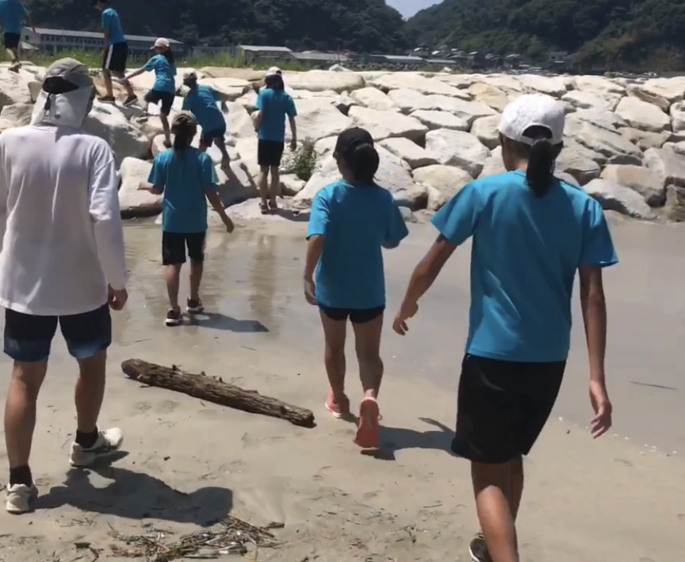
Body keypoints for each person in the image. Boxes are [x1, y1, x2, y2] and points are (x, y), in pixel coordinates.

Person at [391, 94, 616, 562]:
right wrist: (596, 378)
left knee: (487, 474)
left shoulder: (483, 194)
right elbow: (592, 297)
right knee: (510, 456)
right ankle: (495, 548)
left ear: (502, 140)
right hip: (550, 360)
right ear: (558, 147)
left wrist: (408, 305)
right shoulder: (584, 207)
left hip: (492, 356)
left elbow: (431, 262)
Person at [0, 59, 130, 514]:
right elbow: (104, 219)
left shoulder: (10, 142)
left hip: (24, 285)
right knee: (92, 364)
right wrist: (117, 279)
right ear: (84, 99)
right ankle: (86, 442)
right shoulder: (94, 149)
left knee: (25, 378)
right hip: (82, 284)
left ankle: (19, 483)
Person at [303, 128, 409, 448]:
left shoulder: (328, 196)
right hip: (369, 290)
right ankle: (370, 397)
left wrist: (308, 274)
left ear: (340, 160)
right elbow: (392, 240)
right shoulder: (383, 198)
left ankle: (339, 400)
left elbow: (318, 237)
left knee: (335, 348)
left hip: (333, 288)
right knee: (369, 353)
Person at [140, 112, 235, 326]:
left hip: (172, 221)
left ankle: (173, 310)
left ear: (173, 132)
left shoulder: (163, 158)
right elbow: (211, 193)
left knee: (172, 264)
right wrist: (224, 216)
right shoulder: (203, 159)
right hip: (195, 221)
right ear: (194, 134)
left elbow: (156, 189)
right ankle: (193, 299)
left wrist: (144, 185)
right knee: (197, 259)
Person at [253, 68, 296, 214]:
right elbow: (291, 118)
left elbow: (260, 114)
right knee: (275, 170)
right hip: (278, 139)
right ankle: (273, 201)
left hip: (265, 137)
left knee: (263, 170)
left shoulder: (263, 94)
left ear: (267, 80)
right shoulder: (286, 97)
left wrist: (256, 127)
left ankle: (263, 203)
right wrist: (294, 138)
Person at [122, 38, 177, 147]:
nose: (155, 51)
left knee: (145, 100)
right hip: (171, 90)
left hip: (159, 86)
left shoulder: (156, 58)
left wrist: (127, 77)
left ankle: (143, 115)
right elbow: (173, 73)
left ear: (159, 49)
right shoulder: (171, 61)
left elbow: (142, 69)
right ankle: (168, 139)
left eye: (156, 49)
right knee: (163, 115)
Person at [181, 72, 232, 168]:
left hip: (208, 126)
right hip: (220, 122)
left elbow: (184, 113)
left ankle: (198, 165)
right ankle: (225, 155)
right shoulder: (206, 89)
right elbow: (224, 96)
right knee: (218, 139)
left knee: (203, 144)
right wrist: (223, 104)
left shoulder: (188, 97)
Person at [93, 0, 138, 105]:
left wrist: (105, 47)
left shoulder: (105, 13)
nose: (96, 7)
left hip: (114, 44)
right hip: (122, 44)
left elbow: (107, 32)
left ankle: (110, 96)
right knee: (118, 71)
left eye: (96, 4)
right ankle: (131, 95)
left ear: (101, 2)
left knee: (105, 69)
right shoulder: (113, 11)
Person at [0, 0, 36, 71]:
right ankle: (16, 63)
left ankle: (14, 60)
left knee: (8, 48)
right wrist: (33, 27)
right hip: (17, 30)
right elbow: (27, 16)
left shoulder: (2, 2)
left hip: (8, 29)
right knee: (14, 48)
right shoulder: (18, 3)